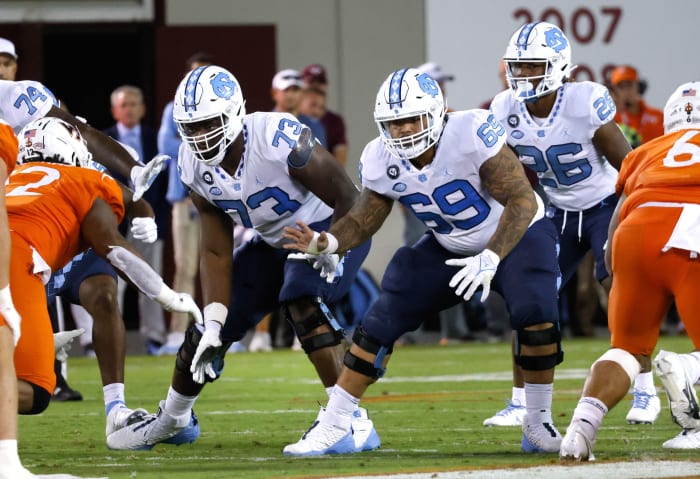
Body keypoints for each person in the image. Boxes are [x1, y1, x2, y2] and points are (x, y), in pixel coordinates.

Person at [281, 66, 563, 456]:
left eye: (411, 119)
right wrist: (328, 241)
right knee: (383, 314)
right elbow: (366, 218)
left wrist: (491, 257)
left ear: (438, 112)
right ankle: (335, 424)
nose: (402, 131)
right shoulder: (381, 157)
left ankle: (537, 421)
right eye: (393, 123)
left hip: (517, 235)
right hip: (449, 243)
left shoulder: (470, 132)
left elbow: (522, 200)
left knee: (536, 312)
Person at [105, 65, 375, 451]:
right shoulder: (192, 163)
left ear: (233, 114)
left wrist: (332, 242)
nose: (199, 136)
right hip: (274, 241)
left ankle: (348, 422)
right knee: (204, 330)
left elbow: (350, 197)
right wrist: (216, 321)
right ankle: (175, 418)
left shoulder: (279, 138)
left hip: (333, 226)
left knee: (302, 298)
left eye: (208, 124)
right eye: (191, 127)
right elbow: (215, 247)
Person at [5, 118, 200, 473]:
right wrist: (170, 296)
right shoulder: (83, 180)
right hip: (19, 264)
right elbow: (117, 250)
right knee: (33, 390)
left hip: (19, 259)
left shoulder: (12, 178)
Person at [483, 22, 651, 428]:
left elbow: (628, 167)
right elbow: (497, 172)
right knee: (529, 297)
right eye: (518, 67)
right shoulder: (504, 108)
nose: (522, 76)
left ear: (559, 67)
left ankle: (645, 391)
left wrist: (634, 214)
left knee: (620, 290)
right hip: (556, 210)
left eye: (533, 66)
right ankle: (520, 400)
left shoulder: (584, 101)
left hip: (606, 205)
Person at [560, 81, 700, 460]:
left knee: (625, 349)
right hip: (692, 227)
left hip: (635, 235)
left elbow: (617, 219)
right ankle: (688, 366)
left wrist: (616, 270)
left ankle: (580, 431)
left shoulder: (646, 152)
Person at [105, 84, 171, 354]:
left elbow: (165, 183)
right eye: (124, 104)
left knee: (151, 278)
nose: (129, 109)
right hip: (115, 221)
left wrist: (159, 221)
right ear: (114, 110)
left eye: (134, 103)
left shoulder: (157, 140)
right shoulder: (102, 140)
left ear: (143, 108)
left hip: (149, 220)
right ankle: (110, 336)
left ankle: (154, 338)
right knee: (113, 281)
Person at [158, 52, 214, 355]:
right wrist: (205, 138)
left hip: (216, 197)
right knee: (185, 266)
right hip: (184, 198)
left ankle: (217, 328)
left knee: (217, 264)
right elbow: (166, 147)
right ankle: (177, 332)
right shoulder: (173, 109)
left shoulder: (223, 108)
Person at [301, 63, 348, 166]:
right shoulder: (291, 116)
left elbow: (339, 163)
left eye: (320, 83)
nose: (317, 87)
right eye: (312, 84)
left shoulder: (334, 121)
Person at [610, 65, 664, 145]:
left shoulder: (659, 116)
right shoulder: (612, 121)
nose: (626, 91)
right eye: (621, 87)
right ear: (615, 92)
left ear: (639, 87)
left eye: (629, 85)